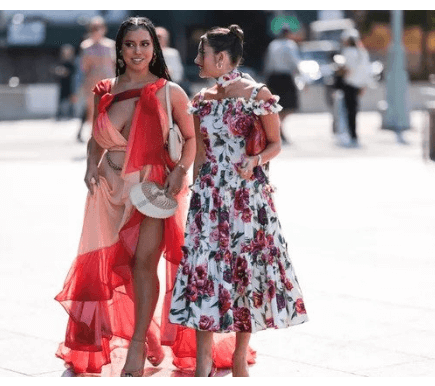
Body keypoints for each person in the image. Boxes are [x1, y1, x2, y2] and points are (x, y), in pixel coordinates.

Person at [55, 16, 197, 377]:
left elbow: (191, 138)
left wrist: (181, 171)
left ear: (155, 48)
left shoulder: (170, 91)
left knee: (143, 265)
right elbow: (94, 138)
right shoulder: (104, 89)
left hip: (153, 188)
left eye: (144, 44)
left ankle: (135, 347)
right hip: (110, 187)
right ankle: (147, 334)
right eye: (130, 44)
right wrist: (90, 164)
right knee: (118, 266)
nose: (137, 51)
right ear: (120, 48)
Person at [168, 24, 309, 377]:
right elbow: (200, 154)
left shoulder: (258, 95)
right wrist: (193, 187)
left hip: (248, 199)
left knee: (245, 273)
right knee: (205, 274)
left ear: (219, 57)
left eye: (202, 54)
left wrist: (254, 160)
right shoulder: (201, 100)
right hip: (209, 201)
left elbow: (275, 143)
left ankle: (238, 357)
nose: (197, 60)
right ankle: (203, 362)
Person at [76, 16, 116, 140]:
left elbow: (115, 64)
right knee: (93, 110)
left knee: (110, 109)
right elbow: (83, 67)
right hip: (92, 83)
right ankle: (95, 136)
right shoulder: (86, 46)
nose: (96, 31)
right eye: (94, 28)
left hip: (109, 82)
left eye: (99, 28)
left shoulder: (110, 45)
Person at [262, 26, 302, 144]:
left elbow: (268, 62)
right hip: (285, 77)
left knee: (278, 106)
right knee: (288, 105)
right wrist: (300, 76)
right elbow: (295, 62)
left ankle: (279, 127)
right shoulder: (290, 45)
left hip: (273, 77)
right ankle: (279, 128)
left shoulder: (273, 45)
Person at [338, 29, 372, 147]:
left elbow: (347, 69)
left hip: (348, 85)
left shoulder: (347, 52)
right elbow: (367, 71)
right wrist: (364, 85)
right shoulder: (363, 53)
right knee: (354, 111)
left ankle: (349, 134)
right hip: (358, 86)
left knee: (346, 111)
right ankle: (353, 134)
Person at [54, 44, 76, 120]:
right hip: (62, 83)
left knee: (70, 98)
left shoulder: (72, 61)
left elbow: (73, 71)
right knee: (61, 99)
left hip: (70, 83)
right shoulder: (60, 61)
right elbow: (57, 70)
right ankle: (59, 113)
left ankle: (71, 113)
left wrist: (66, 72)